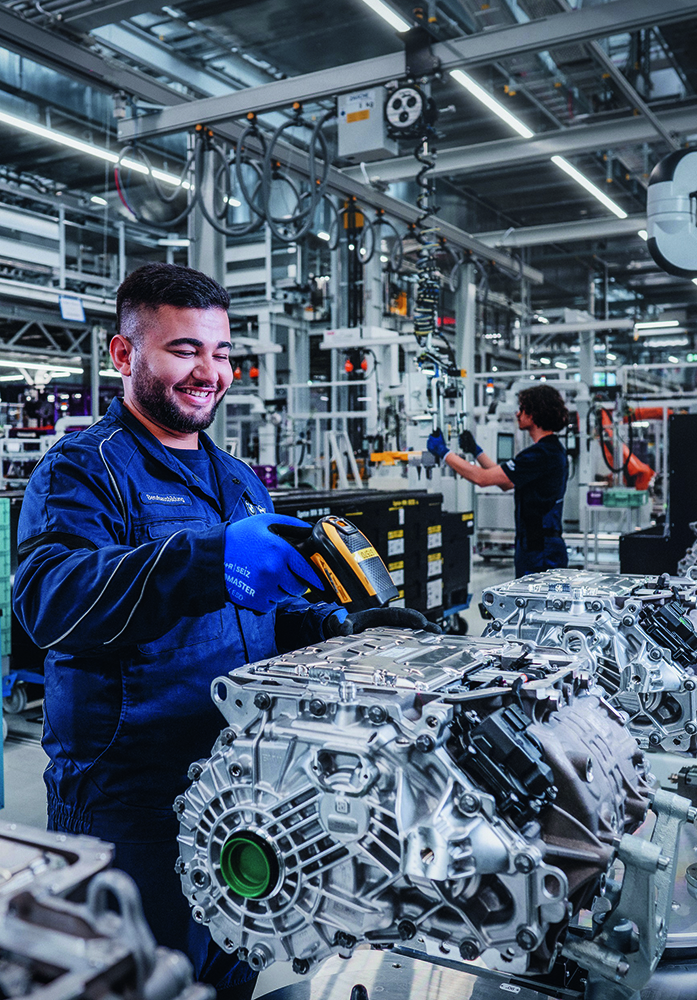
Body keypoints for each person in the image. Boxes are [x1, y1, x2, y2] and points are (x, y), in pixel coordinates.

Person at [12, 262, 435, 999]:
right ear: (124, 355)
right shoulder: (82, 469)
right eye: (184, 350)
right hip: (127, 794)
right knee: (144, 978)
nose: (209, 372)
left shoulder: (237, 479)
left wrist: (347, 626)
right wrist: (206, 559)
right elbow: (53, 603)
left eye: (221, 352)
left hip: (241, 781)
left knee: (231, 965)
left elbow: (265, 616)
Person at [427, 384, 570, 578]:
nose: (517, 414)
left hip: (540, 548)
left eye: (522, 409)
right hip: (537, 544)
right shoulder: (550, 450)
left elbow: (482, 479)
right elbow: (506, 482)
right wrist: (476, 452)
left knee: (535, 603)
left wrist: (444, 453)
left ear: (535, 414)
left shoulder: (541, 454)